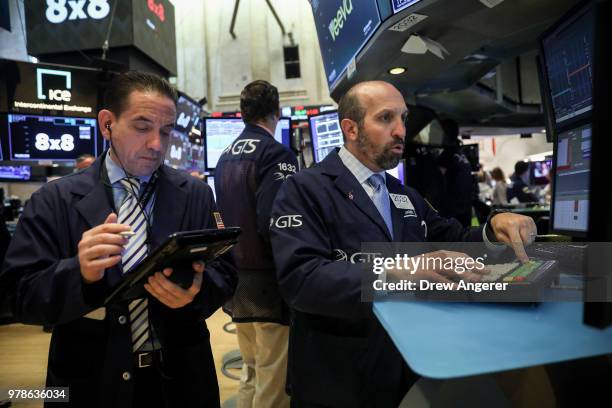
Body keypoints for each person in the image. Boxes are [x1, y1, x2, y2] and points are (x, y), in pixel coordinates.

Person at [269, 80, 537, 407]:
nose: (400, 131)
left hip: (406, 365)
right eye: (385, 119)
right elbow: (302, 279)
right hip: (340, 375)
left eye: (403, 119)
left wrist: (494, 228)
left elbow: (452, 238)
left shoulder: (401, 195)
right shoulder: (305, 189)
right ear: (350, 129)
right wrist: (397, 270)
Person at [0, 71, 236, 408]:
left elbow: (225, 273)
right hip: (89, 383)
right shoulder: (55, 200)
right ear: (107, 124)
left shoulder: (196, 194)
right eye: (142, 127)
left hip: (182, 379)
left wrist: (195, 292)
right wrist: (78, 273)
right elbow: (20, 295)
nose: (157, 144)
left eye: (166, 131)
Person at [215, 80, 296, 407]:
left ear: (242, 113)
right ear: (277, 112)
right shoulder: (276, 154)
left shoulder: (223, 157)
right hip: (269, 284)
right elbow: (276, 223)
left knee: (250, 368)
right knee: (273, 379)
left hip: (237, 283)